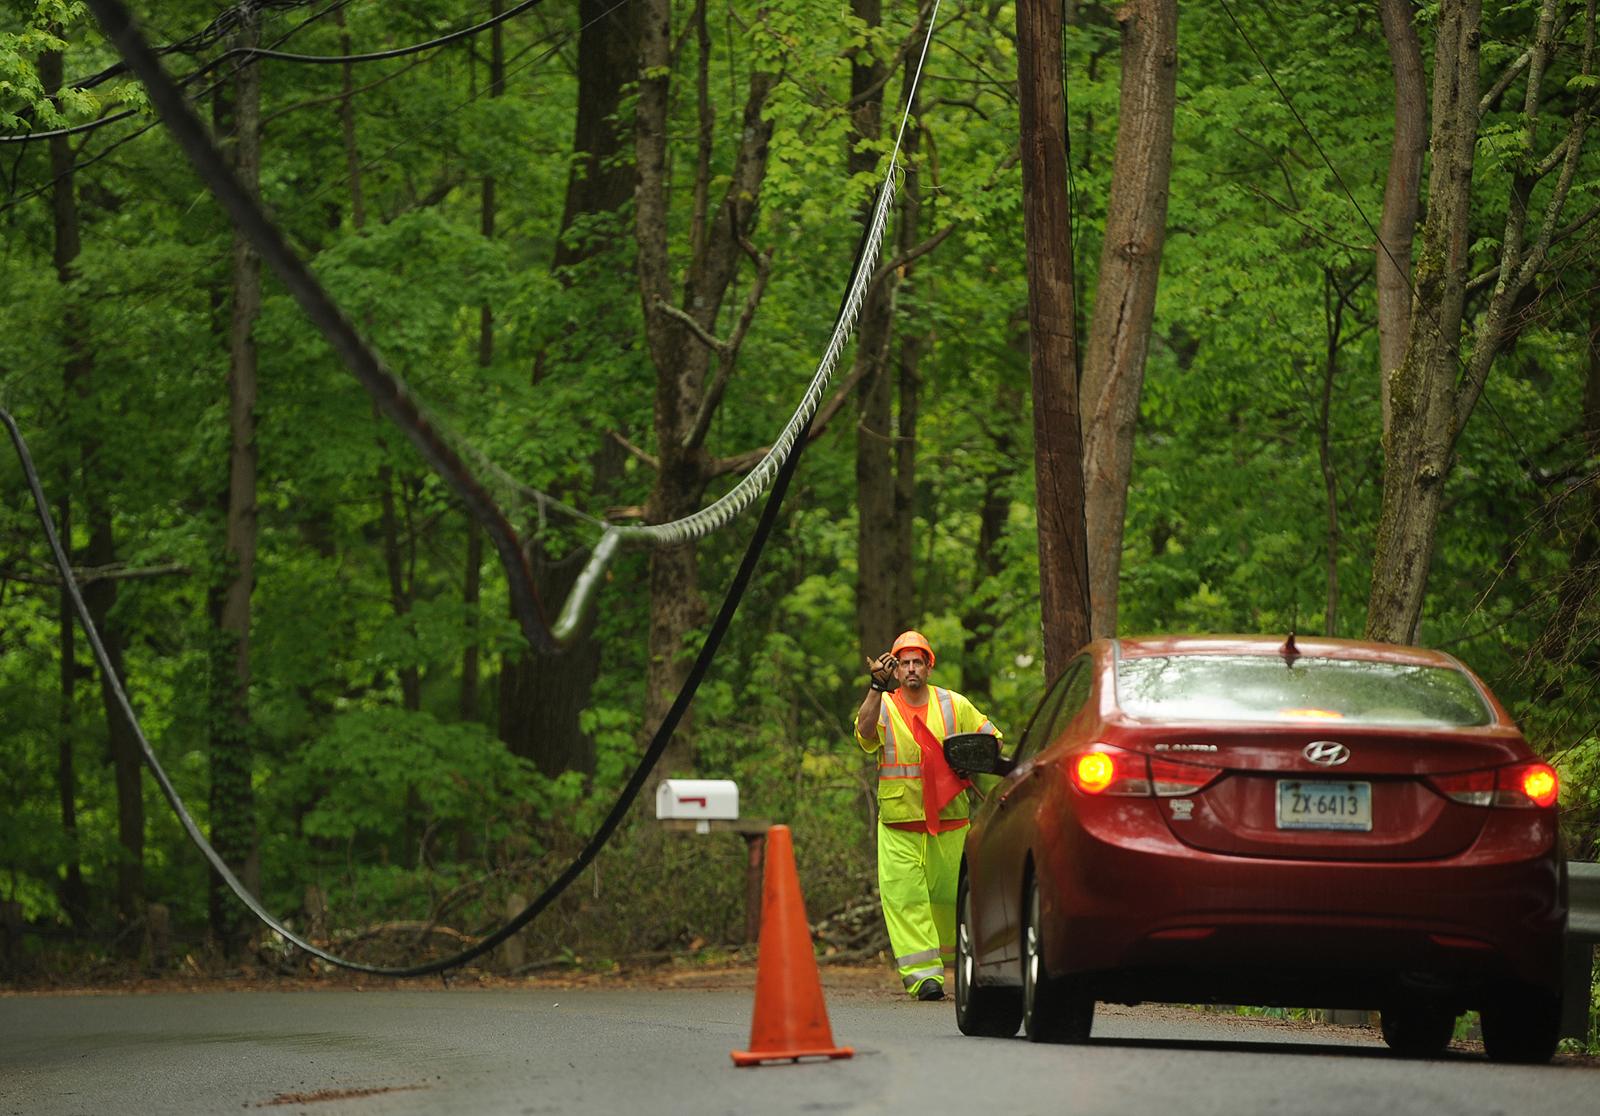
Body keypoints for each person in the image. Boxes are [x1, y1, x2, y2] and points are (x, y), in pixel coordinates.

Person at [854, 629, 1003, 1001]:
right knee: (905, 899)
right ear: (895, 670)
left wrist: (969, 760)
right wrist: (875, 688)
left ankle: (968, 965)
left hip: (950, 823)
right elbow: (864, 733)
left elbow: (992, 740)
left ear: (928, 667)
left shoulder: (954, 705)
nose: (910, 669)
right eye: (903, 663)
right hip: (899, 824)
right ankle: (924, 979)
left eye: (917, 661)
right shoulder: (884, 704)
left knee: (952, 897)